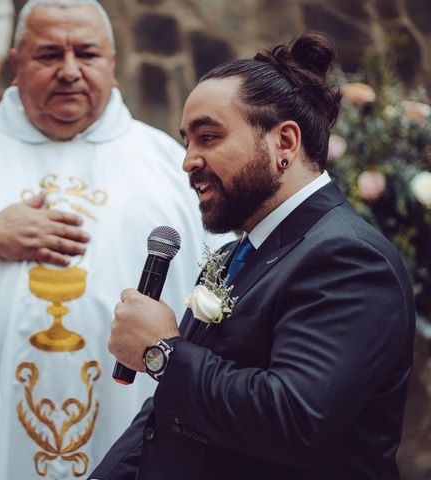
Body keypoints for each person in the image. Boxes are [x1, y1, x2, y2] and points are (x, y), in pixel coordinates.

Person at [0, 0, 234, 478]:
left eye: (87, 53)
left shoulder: (168, 165)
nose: (70, 71)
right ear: (16, 65)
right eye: (48, 55)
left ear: (112, 65)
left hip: (132, 415)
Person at [91, 33, 415, 479]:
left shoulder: (350, 259)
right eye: (187, 142)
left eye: (208, 137)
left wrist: (162, 351)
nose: (188, 161)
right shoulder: (233, 255)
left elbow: (294, 420)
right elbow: (169, 415)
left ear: (284, 142)